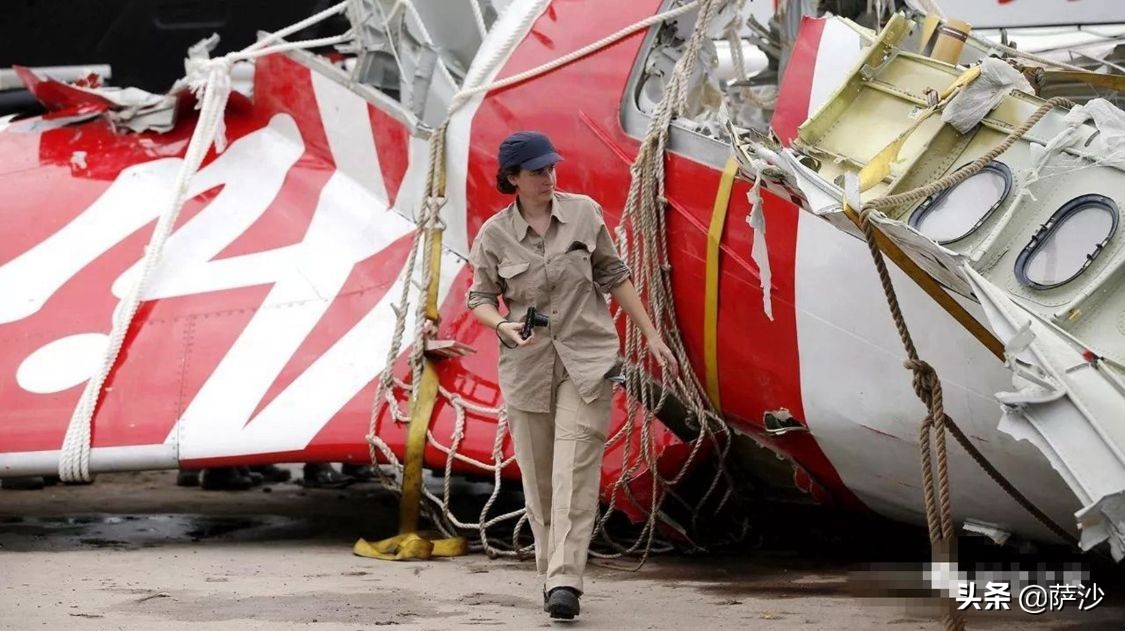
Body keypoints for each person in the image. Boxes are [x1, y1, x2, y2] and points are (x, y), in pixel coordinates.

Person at [467, 131, 678, 620]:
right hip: (527, 368)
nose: (548, 177)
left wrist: (649, 335)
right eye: (537, 171)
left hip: (588, 362)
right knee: (540, 482)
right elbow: (479, 298)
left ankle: (566, 580)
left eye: (551, 167)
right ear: (512, 179)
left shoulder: (584, 213)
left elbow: (613, 274)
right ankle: (551, 574)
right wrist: (502, 324)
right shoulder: (494, 235)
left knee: (574, 474)